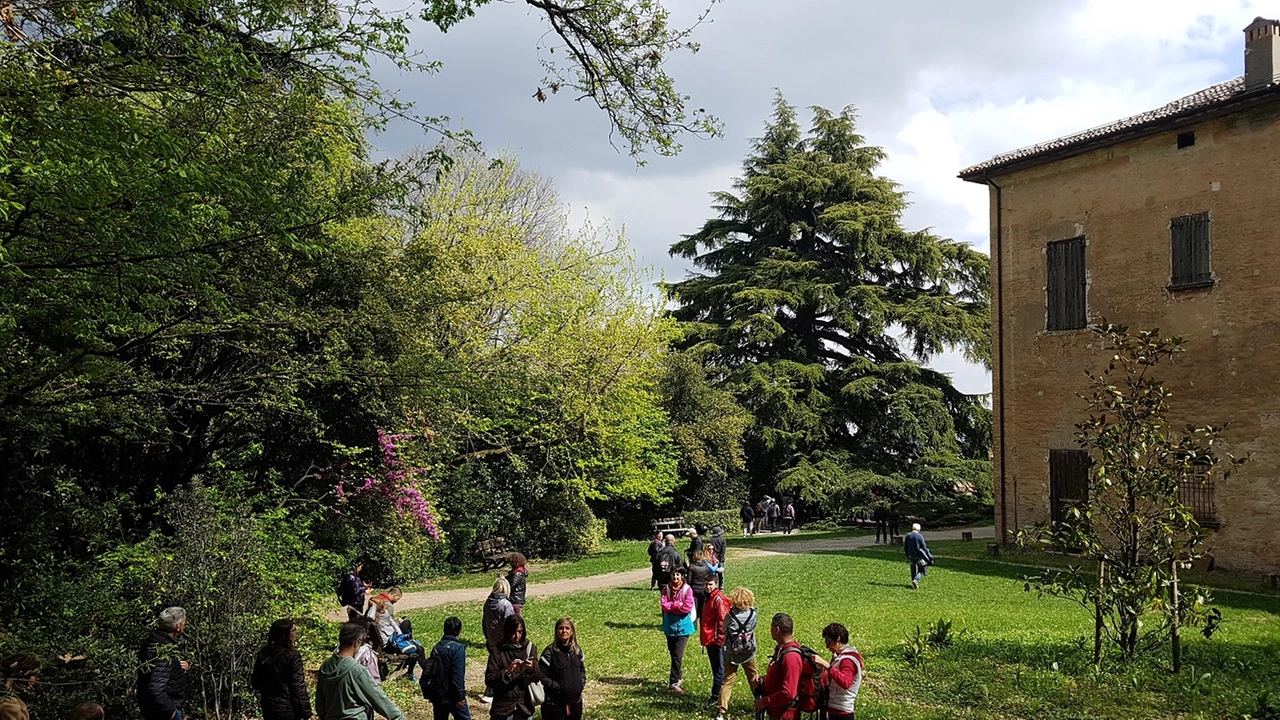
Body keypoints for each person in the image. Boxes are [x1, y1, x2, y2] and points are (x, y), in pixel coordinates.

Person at [315, 623, 406, 720]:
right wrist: (398, 717)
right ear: (356, 643)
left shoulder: (325, 666)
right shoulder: (356, 670)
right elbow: (378, 699)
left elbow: (320, 703)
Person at [250, 618, 313, 720]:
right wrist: (306, 713)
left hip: (268, 707)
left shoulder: (264, 653)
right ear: (285, 634)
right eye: (293, 630)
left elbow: (256, 682)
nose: (296, 632)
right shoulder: (292, 656)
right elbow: (297, 687)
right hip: (287, 709)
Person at [483, 615, 541, 720]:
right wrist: (507, 672)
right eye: (514, 632)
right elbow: (489, 679)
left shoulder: (530, 648)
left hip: (524, 706)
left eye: (520, 632)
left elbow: (538, 676)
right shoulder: (497, 650)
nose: (517, 636)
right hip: (503, 708)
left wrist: (531, 668)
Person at [138, 606, 189, 720]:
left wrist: (175, 666)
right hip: (163, 712)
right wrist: (171, 712)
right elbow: (156, 688)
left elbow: (154, 670)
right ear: (178, 627)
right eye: (184, 622)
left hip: (148, 707)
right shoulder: (166, 651)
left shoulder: (152, 641)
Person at [716, 587, 759, 720]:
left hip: (731, 653)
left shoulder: (730, 616)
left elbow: (723, 630)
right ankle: (760, 702)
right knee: (753, 677)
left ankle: (721, 711)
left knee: (728, 681)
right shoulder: (753, 614)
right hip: (749, 651)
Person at [367, 587, 424, 681]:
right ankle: (420, 674)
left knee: (415, 645)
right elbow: (392, 624)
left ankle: (411, 672)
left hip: (385, 642)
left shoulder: (371, 615)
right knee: (419, 650)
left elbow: (390, 624)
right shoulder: (384, 612)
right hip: (389, 645)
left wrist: (372, 607)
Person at [809, 623, 864, 720]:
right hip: (832, 709)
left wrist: (826, 665)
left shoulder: (848, 660)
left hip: (840, 712)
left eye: (828, 642)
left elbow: (846, 682)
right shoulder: (840, 656)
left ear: (838, 639)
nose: (827, 646)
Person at [754, 613, 802, 720]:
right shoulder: (782, 651)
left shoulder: (791, 657)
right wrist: (764, 680)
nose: (770, 630)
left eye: (771, 627)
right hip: (776, 712)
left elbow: (789, 693)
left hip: (784, 715)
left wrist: (765, 701)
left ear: (777, 629)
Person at [538, 617, 586, 720]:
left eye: (567, 628)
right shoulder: (549, 652)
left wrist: (581, 683)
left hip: (575, 702)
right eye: (561, 628)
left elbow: (582, 670)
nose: (564, 631)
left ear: (572, 631)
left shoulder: (577, 650)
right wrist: (556, 687)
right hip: (554, 704)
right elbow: (540, 674)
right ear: (556, 631)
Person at [659, 567, 696, 695]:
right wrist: (677, 605)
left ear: (682, 576)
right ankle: (678, 676)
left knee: (677, 655)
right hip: (670, 627)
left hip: (683, 628)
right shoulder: (666, 589)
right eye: (674, 575)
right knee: (672, 653)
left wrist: (673, 606)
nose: (675, 577)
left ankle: (673, 682)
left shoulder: (687, 590)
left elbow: (687, 607)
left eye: (678, 575)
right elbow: (664, 605)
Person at [426, 617, 470, 720]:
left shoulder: (437, 647)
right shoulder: (458, 648)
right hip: (452, 694)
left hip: (437, 693)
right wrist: (461, 696)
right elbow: (458, 674)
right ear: (458, 631)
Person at [481, 576, 515, 705]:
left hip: (492, 639)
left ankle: (491, 690)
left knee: (494, 665)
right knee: (506, 665)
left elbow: (484, 622)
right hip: (504, 641)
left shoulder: (488, 602)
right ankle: (492, 691)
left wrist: (487, 637)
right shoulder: (506, 604)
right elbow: (511, 624)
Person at [699, 577, 730, 710]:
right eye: (706, 585)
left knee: (719, 670)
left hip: (716, 641)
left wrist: (719, 641)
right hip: (709, 639)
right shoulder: (708, 598)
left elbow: (723, 621)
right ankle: (718, 695)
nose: (708, 587)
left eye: (711, 584)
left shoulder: (718, 599)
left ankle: (716, 696)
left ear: (716, 584)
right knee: (716, 669)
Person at [686, 550, 718, 629]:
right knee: (703, 608)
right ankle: (703, 623)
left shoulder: (692, 567)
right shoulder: (705, 566)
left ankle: (694, 625)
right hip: (703, 589)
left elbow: (689, 580)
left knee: (694, 608)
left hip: (694, 589)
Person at [904, 523, 934, 589]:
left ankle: (913, 581)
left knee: (912, 569)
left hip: (910, 555)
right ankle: (916, 579)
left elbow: (905, 546)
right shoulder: (920, 536)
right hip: (919, 556)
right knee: (921, 569)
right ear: (919, 529)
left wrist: (907, 555)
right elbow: (924, 547)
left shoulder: (908, 536)